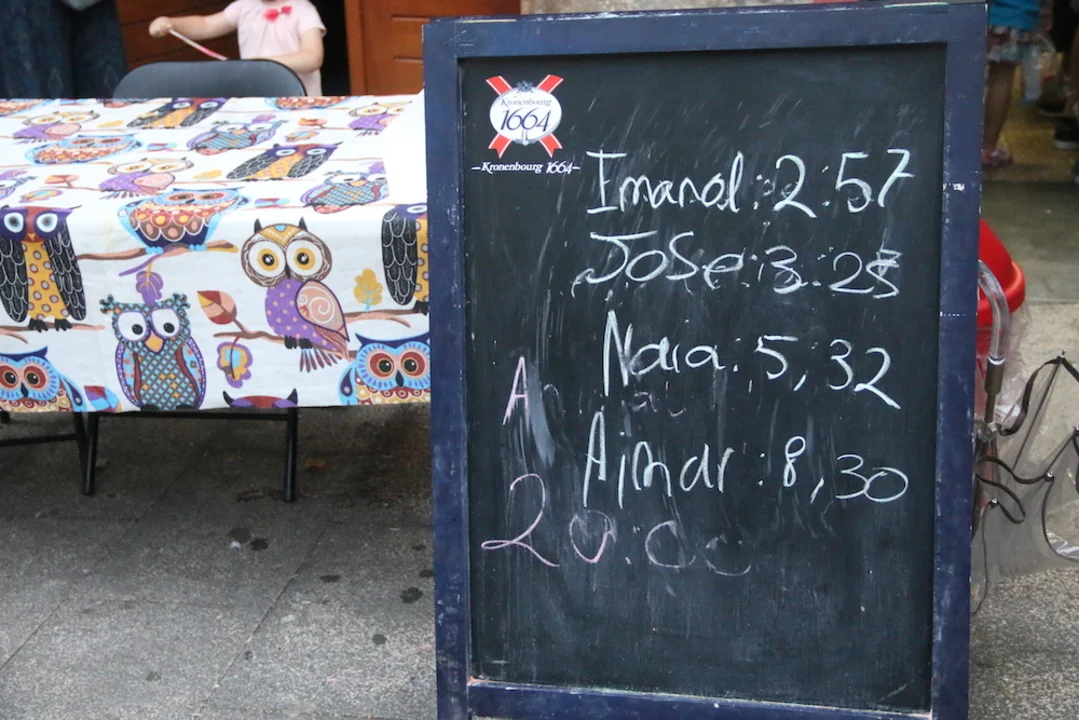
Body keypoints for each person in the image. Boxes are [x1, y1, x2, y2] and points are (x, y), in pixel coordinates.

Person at [149, 0, 325, 96]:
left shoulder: (303, 9)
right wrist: (172, 23)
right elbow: (206, 25)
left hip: (298, 100)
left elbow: (312, 58)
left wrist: (264, 64)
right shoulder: (244, 6)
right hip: (257, 96)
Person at [983, 0, 1054, 169]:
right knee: (1002, 78)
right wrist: (1046, 10)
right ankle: (987, 149)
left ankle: (959, 141)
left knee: (968, 77)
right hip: (1018, 15)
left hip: (981, 12)